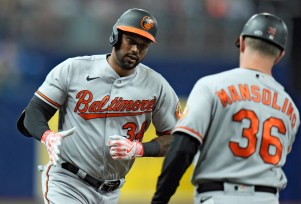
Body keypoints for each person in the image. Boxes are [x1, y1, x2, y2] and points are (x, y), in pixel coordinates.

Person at [17, 8, 181, 204]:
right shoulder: (74, 69)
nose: (135, 49)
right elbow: (33, 113)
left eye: (143, 45)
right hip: (68, 182)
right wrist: (47, 136)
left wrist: (139, 149)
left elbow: (176, 139)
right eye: (131, 41)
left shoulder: (157, 85)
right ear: (115, 36)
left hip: (112, 191)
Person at [151, 12, 300, 204]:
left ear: (243, 42)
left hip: (220, 196)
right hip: (268, 198)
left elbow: (182, 148)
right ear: (280, 55)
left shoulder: (212, 85)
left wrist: (160, 199)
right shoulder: (291, 109)